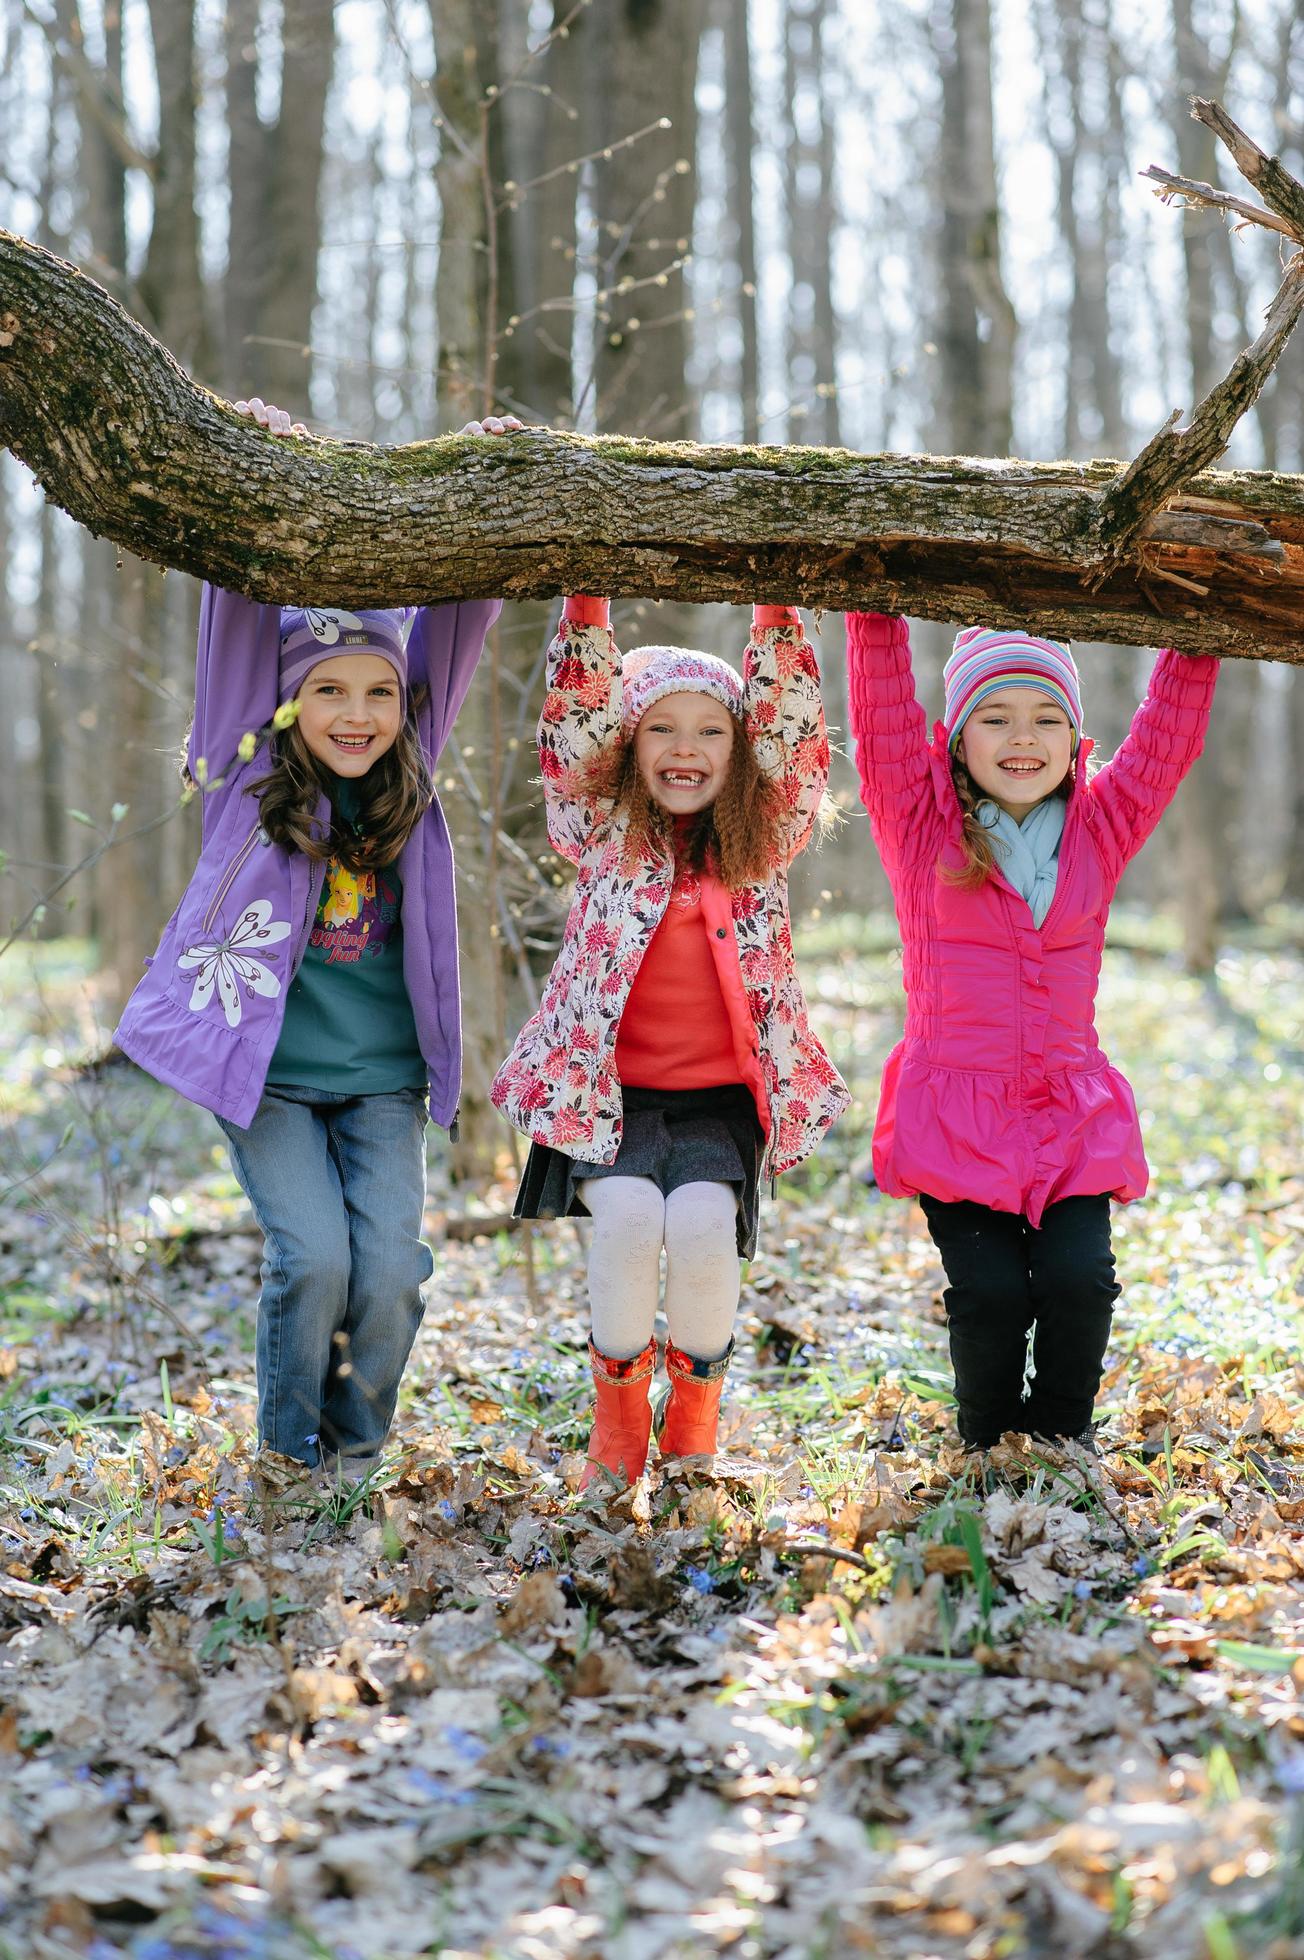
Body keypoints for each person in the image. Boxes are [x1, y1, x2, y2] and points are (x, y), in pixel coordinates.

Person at [116, 398, 523, 1470]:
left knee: (390, 1270)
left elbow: (459, 622)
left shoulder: (411, 773)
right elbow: (240, 626)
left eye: (378, 691)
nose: (355, 713)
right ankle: (291, 1452)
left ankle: (356, 1449)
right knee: (313, 1259)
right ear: (286, 707)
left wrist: (484, 484)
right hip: (272, 1082)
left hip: (384, 1081)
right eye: (326, 691)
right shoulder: (247, 773)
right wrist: (255, 473)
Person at [493, 595, 850, 1485]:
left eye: (711, 732)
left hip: (718, 1103)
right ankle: (616, 1441)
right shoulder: (602, 832)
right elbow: (573, 721)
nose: (686, 749)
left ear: (740, 753)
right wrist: (585, 605)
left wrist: (776, 618)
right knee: (623, 1223)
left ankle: (691, 1435)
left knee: (698, 1228)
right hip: (609, 1099)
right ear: (628, 745)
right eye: (661, 729)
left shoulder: (759, 843)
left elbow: (797, 744)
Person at [844, 614, 1218, 1452]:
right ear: (957, 736)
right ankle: (984, 1445)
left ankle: (1057, 1442)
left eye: (1047, 717)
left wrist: (1197, 631)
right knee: (991, 1296)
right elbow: (880, 718)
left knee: (1079, 1281)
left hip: (1069, 1115)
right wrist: (874, 610)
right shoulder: (919, 824)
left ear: (1076, 738)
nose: (1023, 737)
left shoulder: (1102, 825)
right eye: (997, 716)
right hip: (956, 1117)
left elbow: (1166, 740)